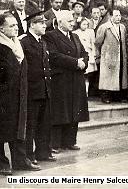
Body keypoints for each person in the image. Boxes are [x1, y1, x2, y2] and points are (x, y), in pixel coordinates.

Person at [0, 13, 41, 175]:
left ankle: (20, 160)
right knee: (2, 129)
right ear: (1, 28)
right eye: (11, 26)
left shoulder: (16, 44)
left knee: (18, 127)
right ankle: (2, 163)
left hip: (19, 95)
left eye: (16, 25)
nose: (15, 28)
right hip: (3, 97)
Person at [44, 10, 89, 152]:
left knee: (74, 109)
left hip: (76, 78)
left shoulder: (75, 36)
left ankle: (70, 141)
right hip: (61, 79)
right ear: (60, 22)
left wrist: (84, 62)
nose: (73, 23)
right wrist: (76, 62)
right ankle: (55, 143)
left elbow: (84, 53)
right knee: (59, 111)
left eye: (73, 20)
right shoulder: (51, 36)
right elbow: (54, 56)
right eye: (69, 21)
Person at [20, 12, 55, 164]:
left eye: (44, 23)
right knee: (31, 125)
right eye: (41, 23)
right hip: (32, 91)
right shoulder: (25, 42)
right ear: (32, 25)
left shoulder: (43, 42)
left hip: (44, 90)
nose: (44, 25)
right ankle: (28, 155)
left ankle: (42, 152)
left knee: (44, 124)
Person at [95, 9, 128, 104]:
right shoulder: (104, 27)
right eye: (116, 16)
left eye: (119, 15)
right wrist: (103, 53)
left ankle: (117, 96)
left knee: (119, 75)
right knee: (107, 76)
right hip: (108, 55)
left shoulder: (122, 27)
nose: (118, 18)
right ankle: (106, 96)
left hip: (120, 54)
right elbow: (98, 42)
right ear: (111, 16)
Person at [73, 18, 97, 94]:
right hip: (79, 54)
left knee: (87, 75)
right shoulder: (75, 32)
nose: (85, 26)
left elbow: (93, 44)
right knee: (80, 74)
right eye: (83, 24)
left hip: (88, 53)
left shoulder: (90, 32)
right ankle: (79, 91)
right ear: (79, 24)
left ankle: (86, 91)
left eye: (87, 24)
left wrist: (93, 55)